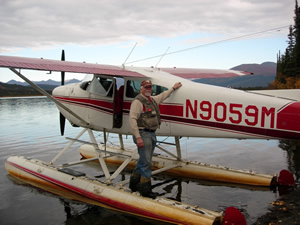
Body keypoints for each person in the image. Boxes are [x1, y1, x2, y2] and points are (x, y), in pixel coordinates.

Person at [129, 80, 182, 198]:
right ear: (141, 88)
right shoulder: (138, 102)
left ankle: (133, 183)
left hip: (151, 134)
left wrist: (173, 88)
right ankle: (145, 189)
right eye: (146, 87)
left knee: (143, 160)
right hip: (143, 134)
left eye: (150, 87)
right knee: (147, 162)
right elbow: (132, 119)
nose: (149, 89)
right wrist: (138, 137)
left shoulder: (152, 100)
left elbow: (163, 95)